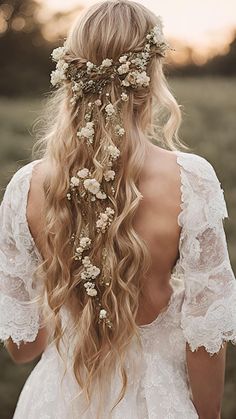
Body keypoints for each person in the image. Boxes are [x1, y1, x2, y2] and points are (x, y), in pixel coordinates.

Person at [0, 1, 236, 418]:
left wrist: (69, 293)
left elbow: (23, 347)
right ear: (150, 75)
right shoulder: (190, 180)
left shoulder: (26, 187)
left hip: (55, 401)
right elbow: (205, 341)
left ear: (71, 75)